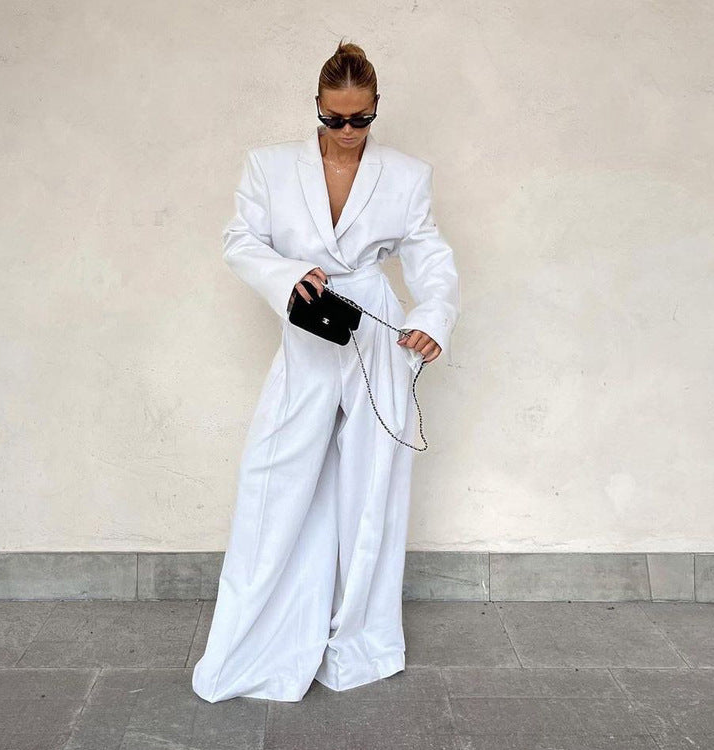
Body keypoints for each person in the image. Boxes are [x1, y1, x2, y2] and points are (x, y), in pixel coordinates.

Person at [192, 39, 460, 703]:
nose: (346, 131)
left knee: (374, 485)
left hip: (377, 329)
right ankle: (258, 639)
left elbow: (430, 254)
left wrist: (432, 317)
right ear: (316, 105)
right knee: (276, 475)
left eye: (360, 118)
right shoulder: (269, 167)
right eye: (334, 118)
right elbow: (239, 240)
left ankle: (362, 643)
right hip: (309, 326)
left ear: (376, 107)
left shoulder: (407, 175)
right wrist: (287, 274)